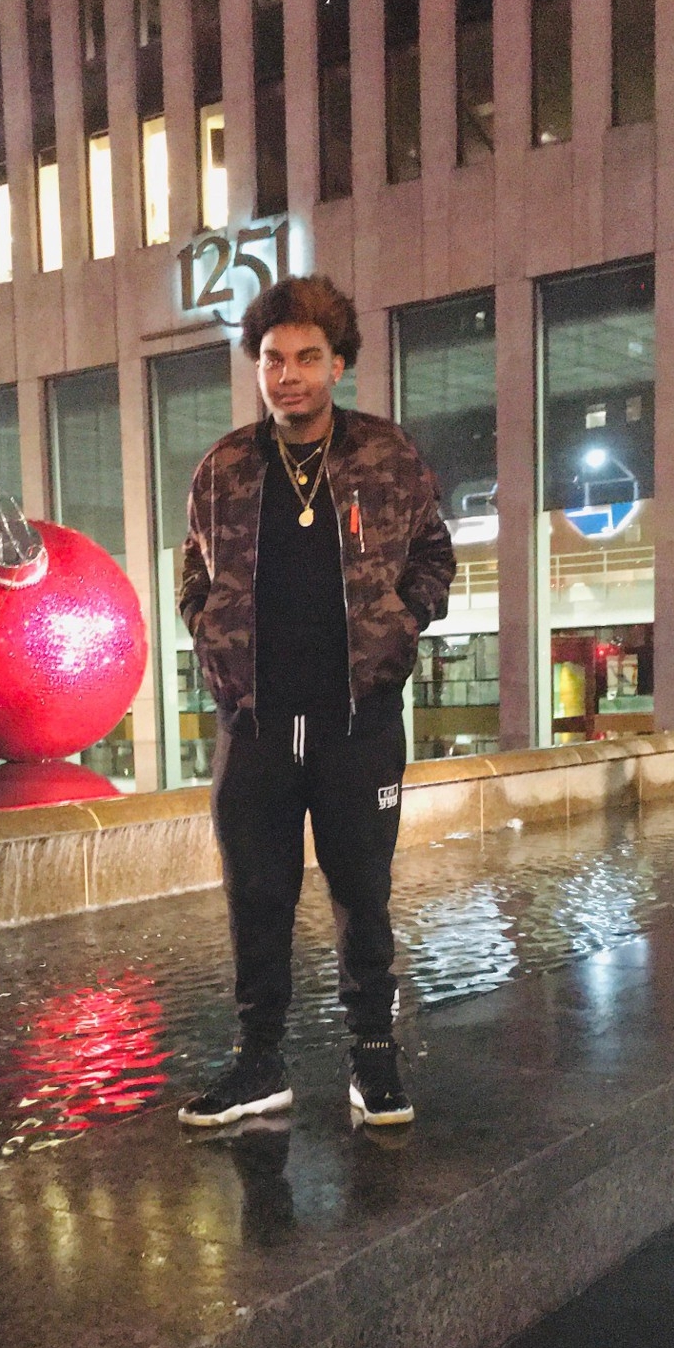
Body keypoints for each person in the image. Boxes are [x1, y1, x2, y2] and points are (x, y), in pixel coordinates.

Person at [176, 274, 456, 1130]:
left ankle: (373, 1057)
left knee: (362, 896)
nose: (287, 375)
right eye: (272, 359)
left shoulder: (386, 455)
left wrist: (403, 620)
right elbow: (192, 569)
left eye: (305, 358)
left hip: (356, 722)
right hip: (255, 724)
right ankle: (259, 1063)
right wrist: (205, 626)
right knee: (255, 899)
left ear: (338, 364)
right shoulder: (226, 466)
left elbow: (435, 556)